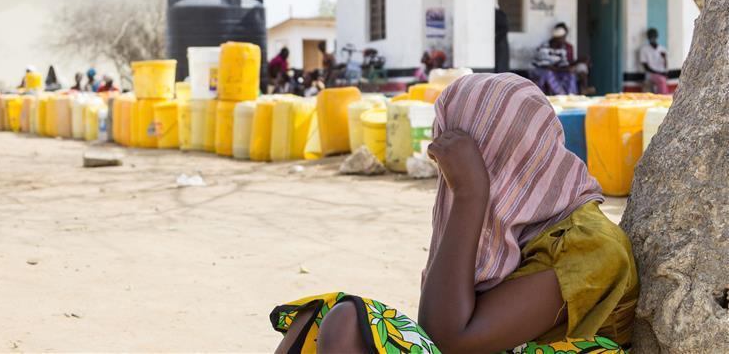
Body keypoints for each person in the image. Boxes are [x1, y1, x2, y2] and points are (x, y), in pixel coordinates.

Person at [271, 73, 638, 353]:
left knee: (349, 321)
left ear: (511, 155)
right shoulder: (514, 231)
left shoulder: (591, 246)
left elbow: (448, 338)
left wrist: (470, 195)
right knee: (316, 320)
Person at [530, 27, 578, 95]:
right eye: (563, 38)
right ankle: (561, 94)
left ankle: (571, 94)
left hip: (555, 70)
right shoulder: (544, 47)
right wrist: (564, 69)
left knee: (570, 73)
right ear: (557, 39)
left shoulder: (562, 48)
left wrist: (569, 69)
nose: (564, 40)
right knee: (548, 73)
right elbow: (547, 67)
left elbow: (563, 64)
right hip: (538, 70)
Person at [553, 23, 594, 94]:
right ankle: (573, 93)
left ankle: (584, 88)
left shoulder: (569, 46)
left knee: (582, 66)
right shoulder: (552, 45)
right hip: (558, 68)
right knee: (571, 72)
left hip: (568, 66)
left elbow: (570, 61)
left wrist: (579, 60)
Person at [639, 28, 670, 94]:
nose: (652, 38)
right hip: (650, 75)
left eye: (654, 36)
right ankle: (663, 97)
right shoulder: (644, 49)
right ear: (648, 37)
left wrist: (664, 58)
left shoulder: (662, 49)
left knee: (662, 79)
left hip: (661, 74)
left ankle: (664, 97)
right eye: (650, 36)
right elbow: (646, 67)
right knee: (662, 80)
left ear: (656, 37)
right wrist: (659, 73)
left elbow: (665, 66)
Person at [495, 2, 510, 73]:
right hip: (499, 45)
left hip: (500, 45)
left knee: (500, 66)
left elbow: (504, 29)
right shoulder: (500, 14)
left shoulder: (498, 15)